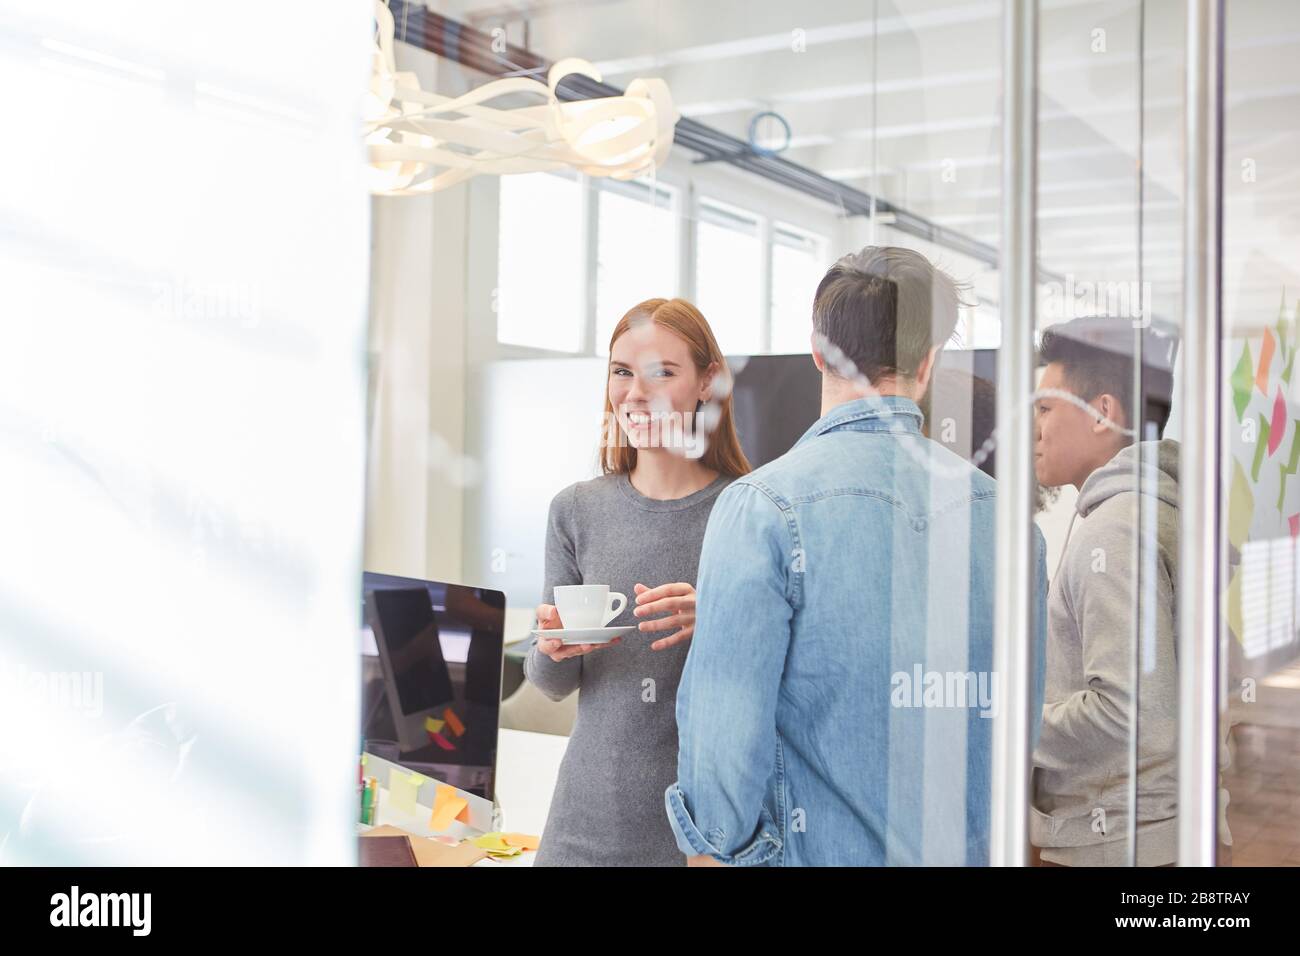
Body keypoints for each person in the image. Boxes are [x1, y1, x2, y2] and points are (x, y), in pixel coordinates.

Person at [666, 246, 1047, 866]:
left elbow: (723, 752)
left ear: (818, 350)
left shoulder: (762, 509)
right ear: (928, 364)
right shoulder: (1010, 524)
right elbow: (1016, 736)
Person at [525, 297, 751, 866]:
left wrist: (721, 620)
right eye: (622, 372)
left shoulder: (750, 510)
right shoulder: (576, 510)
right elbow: (552, 682)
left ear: (709, 383)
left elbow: (793, 681)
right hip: (582, 826)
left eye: (661, 373)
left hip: (701, 835)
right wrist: (552, 647)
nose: (635, 392)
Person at [1030, 316, 1181, 866]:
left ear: (1104, 413)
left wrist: (1006, 721)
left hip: (1117, 845)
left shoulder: (1116, 528)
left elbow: (1130, 713)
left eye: (1045, 407)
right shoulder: (1153, 511)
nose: (1034, 426)